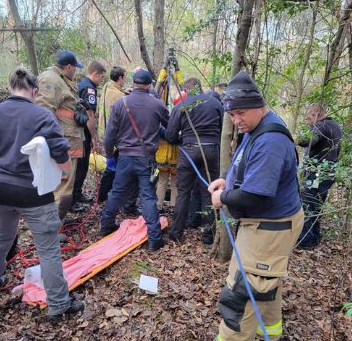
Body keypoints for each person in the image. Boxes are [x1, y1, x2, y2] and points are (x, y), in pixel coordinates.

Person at [208, 71, 303, 341]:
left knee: (242, 293)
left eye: (241, 113)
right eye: (232, 115)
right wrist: (226, 180)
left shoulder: (271, 141)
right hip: (266, 225)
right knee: (264, 282)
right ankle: (269, 333)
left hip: (269, 228)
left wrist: (222, 199)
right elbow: (246, 164)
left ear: (259, 106)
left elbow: (256, 196)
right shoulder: (256, 127)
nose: (236, 120)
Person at [0, 67, 84, 323]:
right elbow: (61, 154)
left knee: (2, 236)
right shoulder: (42, 115)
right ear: (34, 91)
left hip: (0, 187)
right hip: (33, 191)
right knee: (48, 248)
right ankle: (59, 306)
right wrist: (64, 172)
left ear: (11, 89)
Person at [100, 70, 170, 252]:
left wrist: (109, 156)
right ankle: (155, 239)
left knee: (117, 193)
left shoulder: (120, 103)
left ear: (133, 84)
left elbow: (109, 135)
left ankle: (106, 225)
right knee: (147, 197)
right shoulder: (157, 104)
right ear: (148, 86)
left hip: (123, 158)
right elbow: (170, 128)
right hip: (145, 160)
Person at [165, 77, 223, 245]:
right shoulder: (216, 104)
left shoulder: (182, 104)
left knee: (183, 193)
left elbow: (170, 135)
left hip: (189, 150)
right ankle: (208, 237)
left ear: (187, 90)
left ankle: (176, 234)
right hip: (212, 150)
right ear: (200, 88)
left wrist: (181, 140)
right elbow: (224, 129)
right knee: (209, 193)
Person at [36, 50, 86, 220]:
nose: (75, 72)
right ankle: (53, 228)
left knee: (61, 184)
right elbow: (44, 112)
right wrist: (53, 144)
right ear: (69, 67)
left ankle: (58, 219)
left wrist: (78, 107)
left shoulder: (61, 80)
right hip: (62, 143)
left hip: (67, 140)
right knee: (63, 186)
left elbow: (62, 107)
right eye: (75, 68)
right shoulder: (51, 79)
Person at [296, 103, 342, 249]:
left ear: (315, 115)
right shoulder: (334, 125)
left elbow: (309, 140)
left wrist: (295, 138)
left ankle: (305, 243)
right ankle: (314, 238)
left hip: (318, 174)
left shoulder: (321, 126)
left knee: (308, 205)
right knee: (316, 206)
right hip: (328, 173)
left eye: (308, 119)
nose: (308, 123)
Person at [97, 66, 139, 213]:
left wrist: (124, 91)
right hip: (114, 137)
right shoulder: (120, 97)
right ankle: (104, 197)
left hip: (106, 133)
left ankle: (101, 196)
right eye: (124, 77)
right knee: (112, 169)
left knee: (112, 169)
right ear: (120, 78)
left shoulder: (108, 87)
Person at [72, 61, 106, 208]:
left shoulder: (82, 85)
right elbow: (89, 114)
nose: (102, 80)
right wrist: (93, 136)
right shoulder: (88, 89)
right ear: (95, 74)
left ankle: (77, 193)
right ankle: (72, 199)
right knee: (80, 166)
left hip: (79, 132)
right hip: (83, 133)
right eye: (102, 77)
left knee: (83, 165)